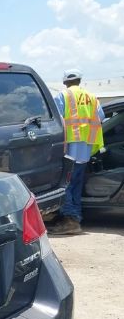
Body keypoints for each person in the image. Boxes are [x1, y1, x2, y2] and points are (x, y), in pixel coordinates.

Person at [49, 69, 105, 235]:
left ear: (65, 82)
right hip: (86, 147)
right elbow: (101, 116)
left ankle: (70, 220)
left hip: (69, 146)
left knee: (65, 185)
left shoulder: (63, 96)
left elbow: (55, 118)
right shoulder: (92, 97)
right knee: (76, 185)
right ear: (79, 80)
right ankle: (74, 217)